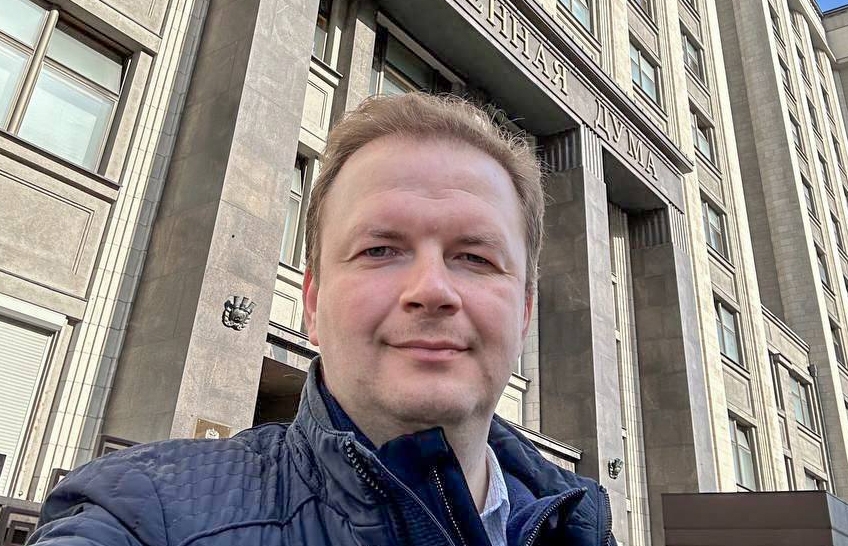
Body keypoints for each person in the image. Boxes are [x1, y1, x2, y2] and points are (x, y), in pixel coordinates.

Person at [30, 93, 615, 546]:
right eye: (380, 250)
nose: (432, 290)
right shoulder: (145, 514)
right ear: (312, 302)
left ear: (525, 312)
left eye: (475, 257)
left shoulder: (584, 528)